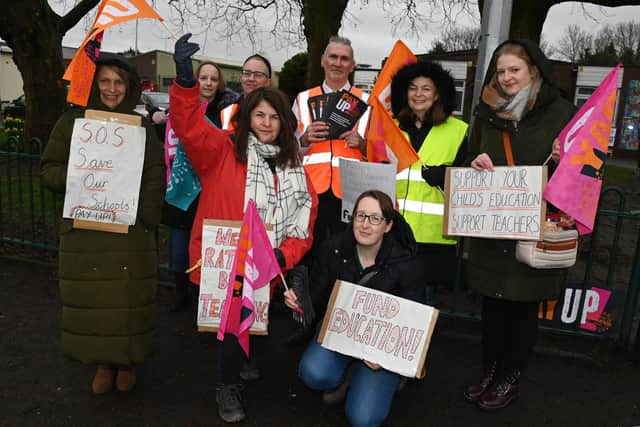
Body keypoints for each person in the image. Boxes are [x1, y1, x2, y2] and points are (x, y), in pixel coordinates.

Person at [169, 34, 318, 423]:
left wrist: (284, 255)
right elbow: (187, 126)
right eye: (259, 115)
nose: (266, 123)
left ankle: (241, 359)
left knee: (252, 321)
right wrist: (186, 82)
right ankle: (227, 383)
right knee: (235, 325)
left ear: (284, 123)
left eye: (274, 117)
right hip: (225, 261)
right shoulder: (221, 150)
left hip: (266, 263)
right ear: (247, 118)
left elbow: (304, 222)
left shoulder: (294, 170)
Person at [40, 54, 166, 394]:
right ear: (95, 84)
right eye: (105, 81)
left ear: (130, 87)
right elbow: (48, 170)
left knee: (127, 300)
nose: (112, 89)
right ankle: (102, 362)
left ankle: (127, 362)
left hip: (129, 229)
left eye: (119, 82)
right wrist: (78, 176)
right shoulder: (72, 122)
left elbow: (156, 175)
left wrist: (146, 214)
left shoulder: (141, 128)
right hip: (87, 230)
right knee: (96, 301)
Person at [462, 39, 576, 411]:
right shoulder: (485, 111)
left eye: (515, 69)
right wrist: (475, 162)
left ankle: (511, 374)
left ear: (533, 70)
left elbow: (584, 173)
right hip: (493, 226)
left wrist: (564, 160)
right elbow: (465, 159)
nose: (507, 77)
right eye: (501, 71)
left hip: (533, 228)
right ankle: (489, 369)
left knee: (523, 308)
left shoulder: (561, 113)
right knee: (493, 307)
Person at [285, 190, 423, 427]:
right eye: (360, 216)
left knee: (363, 419)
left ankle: (375, 377)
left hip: (381, 348)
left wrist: (387, 357)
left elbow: (415, 319)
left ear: (388, 225)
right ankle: (347, 375)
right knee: (313, 374)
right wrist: (299, 301)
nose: (365, 225)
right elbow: (316, 298)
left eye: (374, 218)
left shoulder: (405, 263)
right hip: (342, 333)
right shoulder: (333, 248)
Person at [162, 61, 239, 311]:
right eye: (203, 78)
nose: (208, 83)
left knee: (207, 247)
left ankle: (201, 297)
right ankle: (180, 291)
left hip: (209, 187)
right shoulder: (181, 104)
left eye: (213, 79)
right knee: (179, 248)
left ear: (220, 84)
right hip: (183, 183)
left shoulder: (227, 110)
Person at [390, 61, 468, 305]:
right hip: (393, 232)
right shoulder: (389, 128)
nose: (418, 94)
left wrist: (447, 175)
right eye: (413, 88)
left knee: (420, 307)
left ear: (437, 95)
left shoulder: (459, 130)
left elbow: (470, 182)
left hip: (433, 240)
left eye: (426, 88)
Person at [293, 35, 370, 256]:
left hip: (350, 192)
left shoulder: (367, 102)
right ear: (322, 60)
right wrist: (304, 139)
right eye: (333, 57)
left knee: (345, 255)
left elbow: (381, 153)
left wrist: (363, 145)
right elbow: (287, 150)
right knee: (307, 253)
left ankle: (339, 292)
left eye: (344, 58)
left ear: (352, 65)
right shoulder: (303, 99)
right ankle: (303, 292)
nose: (337, 63)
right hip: (309, 190)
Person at [220, 54, 272, 131]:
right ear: (241, 78)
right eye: (247, 73)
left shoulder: (277, 113)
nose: (251, 78)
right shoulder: (227, 112)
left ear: (268, 82)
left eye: (258, 75)